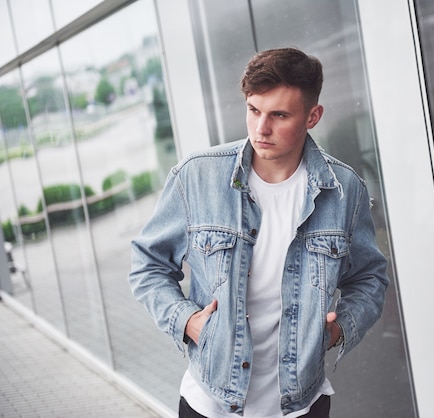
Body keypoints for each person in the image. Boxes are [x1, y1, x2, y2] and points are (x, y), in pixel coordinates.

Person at [128, 47, 389, 418]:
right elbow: (147, 265)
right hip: (210, 403)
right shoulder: (196, 177)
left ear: (313, 116)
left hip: (302, 406)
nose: (261, 129)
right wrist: (185, 320)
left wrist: (338, 329)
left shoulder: (344, 190)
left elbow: (370, 278)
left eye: (279, 115)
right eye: (253, 110)